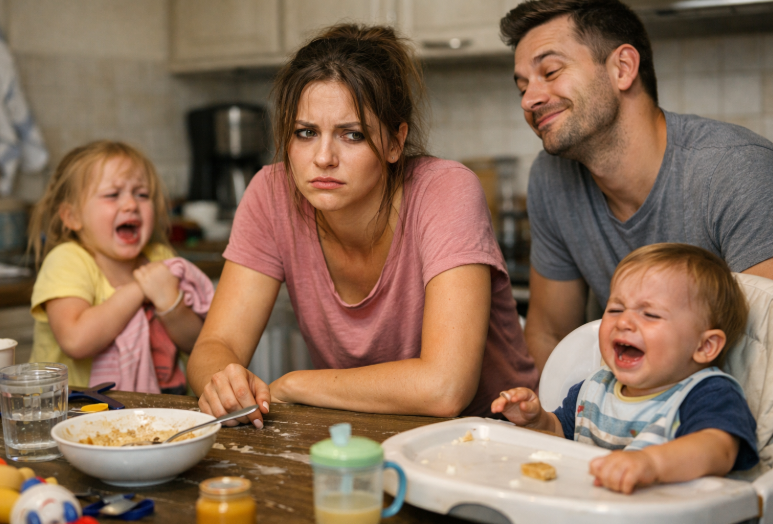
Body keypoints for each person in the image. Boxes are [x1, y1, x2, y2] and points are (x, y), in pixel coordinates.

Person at [187, 24, 538, 428]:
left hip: (494, 441)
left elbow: (445, 388)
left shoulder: (445, 190)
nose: (323, 158)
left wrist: (292, 385)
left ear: (395, 142)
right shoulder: (272, 193)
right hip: (364, 437)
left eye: (351, 135)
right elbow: (216, 345)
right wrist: (222, 381)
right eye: (305, 133)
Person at [499, 0, 773, 374]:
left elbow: (764, 352)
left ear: (623, 68)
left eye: (550, 70)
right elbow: (549, 334)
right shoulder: (551, 177)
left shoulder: (735, 170)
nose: (529, 99)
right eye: (521, 87)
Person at [492, 243, 758, 494]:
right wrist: (536, 420)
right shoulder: (594, 388)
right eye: (616, 309)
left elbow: (719, 449)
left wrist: (651, 464)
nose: (624, 322)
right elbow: (560, 435)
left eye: (650, 314)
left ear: (705, 346)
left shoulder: (708, 394)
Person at [28, 140, 208, 393]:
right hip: (71, 414)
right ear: (72, 216)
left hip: (158, 409)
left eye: (142, 195)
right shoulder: (67, 260)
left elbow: (199, 344)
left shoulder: (160, 257)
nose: (131, 205)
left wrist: (170, 303)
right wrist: (139, 289)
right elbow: (75, 340)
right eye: (112, 195)